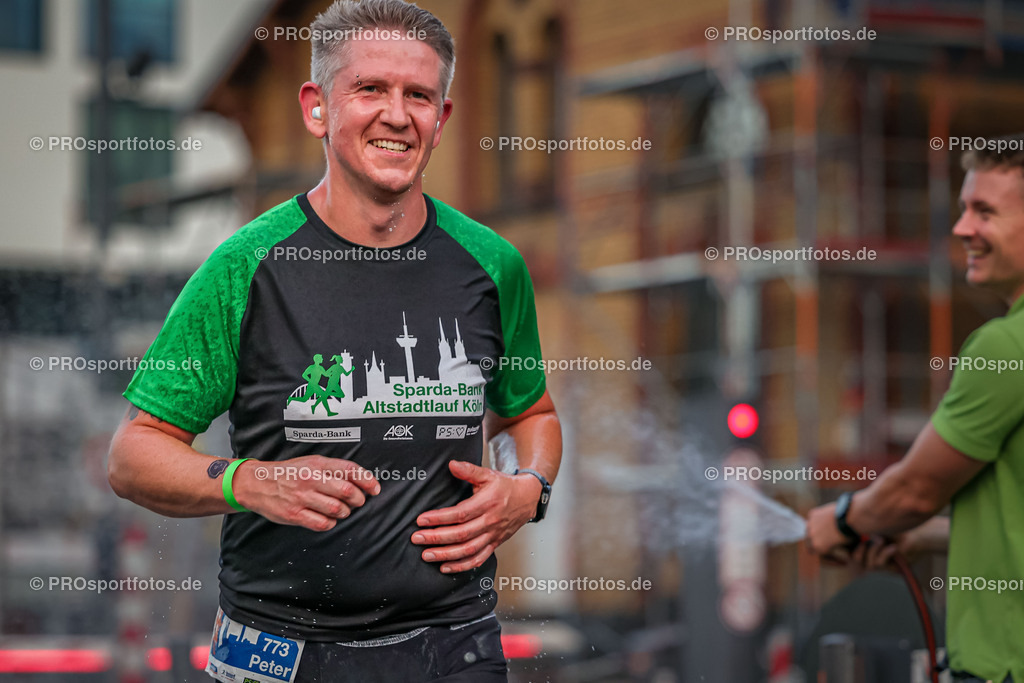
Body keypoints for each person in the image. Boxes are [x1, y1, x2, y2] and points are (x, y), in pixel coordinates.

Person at [107, 1, 562, 681]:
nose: (397, 114)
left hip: (453, 647)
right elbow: (133, 455)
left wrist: (529, 488)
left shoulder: (493, 266)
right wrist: (249, 480)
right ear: (317, 107)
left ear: (441, 119)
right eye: (370, 89)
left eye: (419, 96)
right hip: (280, 654)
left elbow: (533, 413)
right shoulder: (244, 267)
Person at [806, 137, 1024, 683]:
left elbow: (914, 490)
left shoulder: (1006, 347)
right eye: (962, 209)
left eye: (985, 212)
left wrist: (841, 521)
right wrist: (924, 536)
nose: (962, 229)